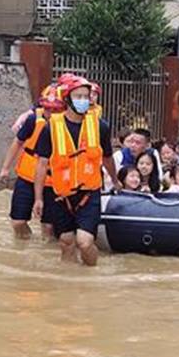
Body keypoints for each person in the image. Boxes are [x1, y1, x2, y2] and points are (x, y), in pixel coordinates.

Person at [32, 73, 118, 266]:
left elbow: (107, 158)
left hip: (89, 193)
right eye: (78, 96)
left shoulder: (100, 126)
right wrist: (38, 198)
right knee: (66, 242)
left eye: (86, 97)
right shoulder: (50, 128)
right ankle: (69, 282)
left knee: (85, 242)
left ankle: (91, 275)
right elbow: (42, 164)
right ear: (67, 99)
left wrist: (116, 180)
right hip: (60, 194)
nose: (84, 101)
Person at [0, 82, 63, 239]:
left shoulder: (68, 126)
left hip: (53, 182)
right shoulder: (33, 120)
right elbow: (17, 143)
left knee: (49, 227)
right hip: (27, 177)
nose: (50, 113)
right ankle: (26, 245)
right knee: (18, 222)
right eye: (47, 108)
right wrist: (5, 168)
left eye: (55, 109)